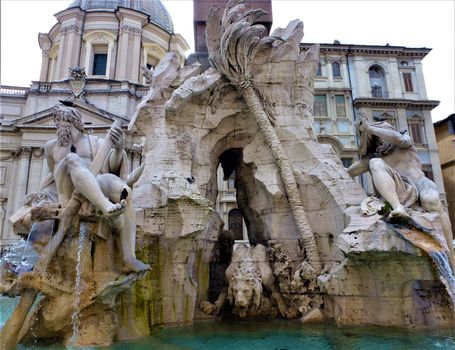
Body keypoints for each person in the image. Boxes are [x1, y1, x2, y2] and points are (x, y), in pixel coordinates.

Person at [43, 104, 150, 272]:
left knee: (124, 192)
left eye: (64, 122)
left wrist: (119, 148)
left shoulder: (96, 142)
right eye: (58, 123)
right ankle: (107, 206)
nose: (60, 126)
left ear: (76, 122)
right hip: (70, 191)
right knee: (72, 159)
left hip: (95, 185)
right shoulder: (51, 147)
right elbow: (53, 174)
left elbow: (110, 166)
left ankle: (129, 257)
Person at [347, 114, 455, 271]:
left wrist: (370, 128)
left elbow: (399, 139)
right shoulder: (374, 157)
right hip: (401, 190)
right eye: (375, 137)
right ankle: (398, 208)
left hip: (420, 182)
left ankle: (452, 258)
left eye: (380, 133)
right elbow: (349, 172)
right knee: (374, 162)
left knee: (430, 199)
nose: (380, 140)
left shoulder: (403, 140)